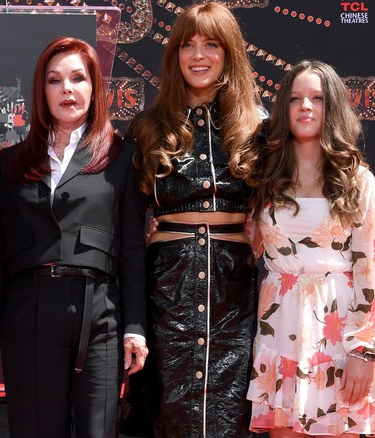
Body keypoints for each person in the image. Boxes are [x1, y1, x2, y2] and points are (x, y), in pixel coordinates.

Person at [0, 36, 148, 437]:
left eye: (78, 78)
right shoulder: (10, 162)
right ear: (41, 91)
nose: (67, 89)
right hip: (28, 311)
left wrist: (134, 326)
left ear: (94, 88)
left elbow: (134, 249)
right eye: (55, 80)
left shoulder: (122, 157)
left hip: (99, 312)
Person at [120, 3, 266, 437]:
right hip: (166, 288)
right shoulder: (148, 128)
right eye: (187, 44)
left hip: (236, 293)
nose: (198, 55)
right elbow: (128, 228)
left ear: (229, 53)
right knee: (165, 410)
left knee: (233, 413)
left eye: (210, 44)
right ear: (174, 55)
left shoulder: (258, 129)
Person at [246, 60, 375, 437]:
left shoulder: (358, 181)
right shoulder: (264, 178)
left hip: (342, 333)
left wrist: (364, 352)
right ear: (283, 109)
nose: (305, 106)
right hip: (281, 330)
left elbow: (373, 267)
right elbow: (241, 242)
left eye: (317, 98)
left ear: (331, 107)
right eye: (296, 98)